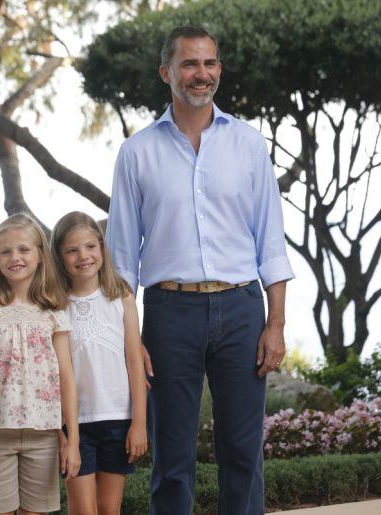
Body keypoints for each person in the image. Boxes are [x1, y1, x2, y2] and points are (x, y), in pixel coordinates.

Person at [105, 26, 295, 515]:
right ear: (167, 72)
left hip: (240, 307)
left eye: (209, 63)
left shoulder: (249, 147)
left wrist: (275, 324)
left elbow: (270, 241)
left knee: (243, 451)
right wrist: (131, 339)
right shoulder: (136, 153)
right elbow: (121, 259)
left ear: (219, 71)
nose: (201, 74)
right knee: (171, 453)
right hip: (169, 312)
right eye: (190, 64)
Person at [0, 213, 81, 515]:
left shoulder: (53, 311)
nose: (14, 257)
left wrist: (72, 441)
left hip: (44, 436)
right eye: (5, 251)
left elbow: (67, 378)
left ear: (40, 256)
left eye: (23, 249)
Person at [50, 211, 148, 515]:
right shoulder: (55, 305)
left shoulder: (122, 298)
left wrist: (139, 424)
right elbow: (54, 375)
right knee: (83, 511)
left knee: (108, 508)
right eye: (72, 250)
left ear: (102, 248)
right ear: (60, 256)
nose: (83, 256)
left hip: (118, 419)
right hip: (75, 423)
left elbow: (135, 363)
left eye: (90, 246)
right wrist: (61, 433)